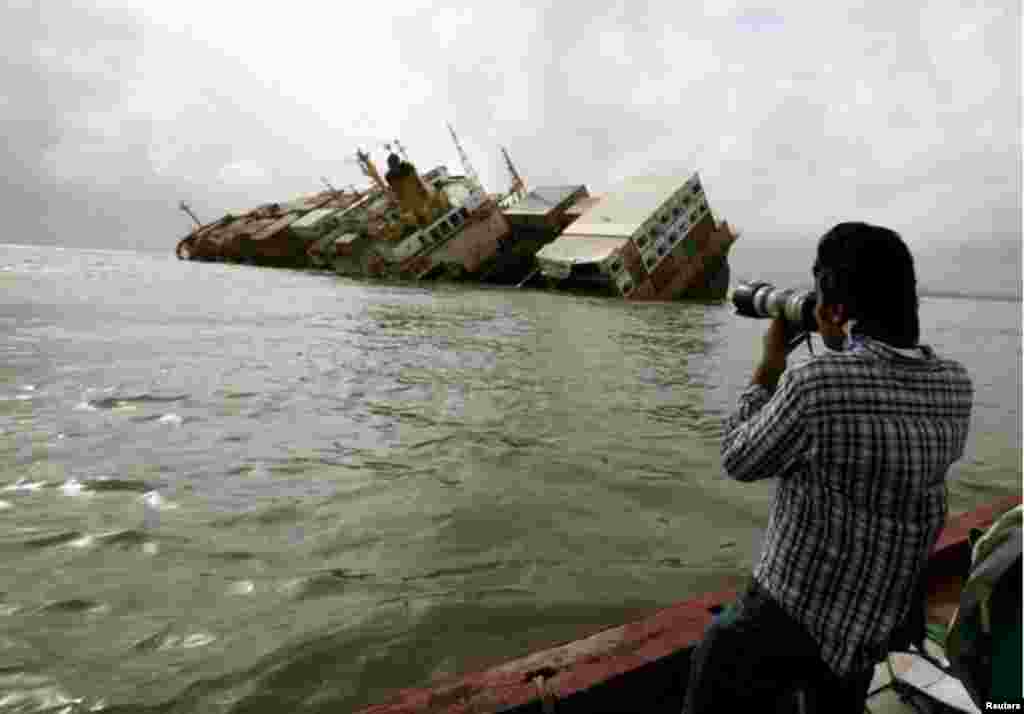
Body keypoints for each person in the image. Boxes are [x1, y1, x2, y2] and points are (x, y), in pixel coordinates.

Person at [683, 222, 974, 713]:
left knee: (716, 663)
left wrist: (771, 362)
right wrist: (841, 348)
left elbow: (738, 457)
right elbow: (878, 418)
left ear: (835, 308)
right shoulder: (955, 386)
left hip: (787, 614)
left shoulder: (818, 385)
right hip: (871, 624)